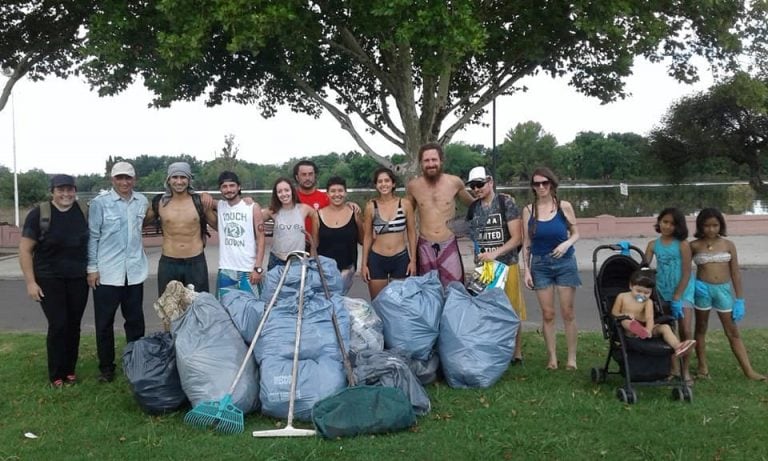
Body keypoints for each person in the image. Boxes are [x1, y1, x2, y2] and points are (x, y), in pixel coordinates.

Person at [19, 174, 89, 387]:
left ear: (75, 190)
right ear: (53, 192)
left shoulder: (84, 211)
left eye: (69, 189)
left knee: (74, 325)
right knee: (58, 324)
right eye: (61, 190)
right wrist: (31, 282)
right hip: (49, 278)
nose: (66, 194)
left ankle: (70, 370)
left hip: (78, 278)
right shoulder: (39, 214)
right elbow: (24, 249)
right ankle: (56, 374)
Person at [87, 161, 148, 383]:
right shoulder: (99, 203)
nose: (124, 182)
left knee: (135, 322)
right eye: (119, 178)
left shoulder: (141, 201)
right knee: (104, 323)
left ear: (134, 179)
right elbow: (93, 236)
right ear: (112, 179)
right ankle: (106, 368)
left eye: (128, 178)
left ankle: (135, 364)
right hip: (107, 274)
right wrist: (92, 268)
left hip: (134, 272)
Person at [690, 207, 766, 381]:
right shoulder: (693, 245)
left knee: (732, 331)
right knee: (701, 329)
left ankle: (748, 370)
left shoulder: (728, 245)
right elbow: (684, 270)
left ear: (720, 225)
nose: (711, 229)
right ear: (700, 226)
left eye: (715, 225)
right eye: (706, 225)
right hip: (702, 291)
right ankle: (702, 368)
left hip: (723, 291)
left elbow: (736, 273)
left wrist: (739, 299)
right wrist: (693, 284)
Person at [465, 166, 527, 364]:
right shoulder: (473, 208)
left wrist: (495, 253)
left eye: (480, 184)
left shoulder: (505, 202)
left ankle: (516, 353)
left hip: (507, 264)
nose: (476, 189)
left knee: (511, 309)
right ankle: (493, 348)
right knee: (486, 310)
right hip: (484, 268)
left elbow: (517, 238)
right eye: (473, 186)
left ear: (490, 182)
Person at [521, 167, 580, 370]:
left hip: (565, 263)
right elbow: (526, 242)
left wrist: (566, 244)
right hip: (540, 264)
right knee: (548, 314)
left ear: (552, 184)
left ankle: (571, 358)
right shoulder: (529, 210)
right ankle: (552, 358)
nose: (541, 187)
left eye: (545, 183)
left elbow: (576, 232)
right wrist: (526, 270)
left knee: (568, 312)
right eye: (537, 184)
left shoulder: (564, 206)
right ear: (533, 187)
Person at [406, 142, 474, 287]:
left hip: (448, 244)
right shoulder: (414, 186)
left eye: (434, 160)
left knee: (455, 289)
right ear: (421, 163)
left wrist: (499, 200)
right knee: (427, 290)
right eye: (426, 160)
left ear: (441, 161)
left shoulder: (454, 182)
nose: (431, 164)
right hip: (425, 246)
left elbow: (474, 205)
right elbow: (405, 214)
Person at [144, 161, 217, 295]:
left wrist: (243, 204)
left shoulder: (199, 202)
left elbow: (220, 226)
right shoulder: (159, 202)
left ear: (189, 180)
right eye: (175, 177)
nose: (179, 182)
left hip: (196, 262)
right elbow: (137, 223)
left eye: (183, 177)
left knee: (199, 306)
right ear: (168, 180)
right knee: (169, 309)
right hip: (169, 263)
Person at [644, 207, 696, 382]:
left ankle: (685, 369)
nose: (667, 226)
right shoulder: (653, 244)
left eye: (672, 224)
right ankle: (673, 368)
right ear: (659, 222)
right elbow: (644, 267)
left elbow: (687, 272)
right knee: (669, 330)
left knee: (686, 329)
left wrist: (677, 296)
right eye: (665, 222)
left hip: (683, 292)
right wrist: (626, 253)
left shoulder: (683, 245)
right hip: (662, 292)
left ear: (678, 226)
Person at [611, 269, 696, 357]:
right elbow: (614, 313)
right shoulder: (622, 297)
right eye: (639, 291)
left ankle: (678, 346)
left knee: (665, 327)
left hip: (646, 327)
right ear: (631, 286)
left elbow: (649, 318)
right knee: (626, 322)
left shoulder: (648, 302)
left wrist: (648, 329)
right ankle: (639, 331)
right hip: (630, 329)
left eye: (647, 293)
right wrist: (624, 315)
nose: (642, 295)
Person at [361, 167, 417, 300]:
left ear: (393, 184)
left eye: (387, 180)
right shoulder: (371, 206)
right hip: (377, 259)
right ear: (376, 185)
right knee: (379, 302)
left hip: (400, 258)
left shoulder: (405, 204)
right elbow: (367, 236)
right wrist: (364, 264)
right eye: (380, 181)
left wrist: (413, 260)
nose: (383, 184)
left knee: (400, 303)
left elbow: (412, 233)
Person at [210, 171, 266, 297]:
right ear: (220, 189)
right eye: (224, 186)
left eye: (232, 185)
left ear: (239, 187)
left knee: (253, 310)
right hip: (226, 269)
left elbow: (261, 238)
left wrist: (258, 268)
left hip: (248, 269)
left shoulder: (252, 207)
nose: (228, 190)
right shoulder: (220, 206)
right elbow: (204, 199)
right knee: (225, 309)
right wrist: (203, 194)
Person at [317, 176, 363, 295]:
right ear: (327, 194)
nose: (337, 194)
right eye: (333, 191)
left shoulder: (354, 212)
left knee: (340, 302)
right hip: (324, 271)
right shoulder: (317, 215)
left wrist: (359, 222)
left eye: (340, 191)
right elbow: (314, 245)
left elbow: (362, 240)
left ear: (346, 193)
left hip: (347, 269)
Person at [263, 177, 318, 269]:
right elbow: (254, 218)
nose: (284, 194)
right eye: (279, 191)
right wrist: (249, 203)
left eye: (286, 190)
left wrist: (313, 246)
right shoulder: (272, 211)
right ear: (276, 194)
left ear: (292, 191)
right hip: (276, 260)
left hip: (298, 260)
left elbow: (316, 216)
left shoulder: (303, 209)